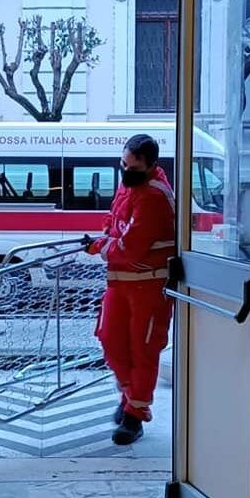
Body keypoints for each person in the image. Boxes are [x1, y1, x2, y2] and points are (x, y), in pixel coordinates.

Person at [86, 134, 177, 446]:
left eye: (133, 167)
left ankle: (135, 415)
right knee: (110, 340)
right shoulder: (130, 185)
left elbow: (132, 247)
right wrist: (104, 239)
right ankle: (130, 399)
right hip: (120, 282)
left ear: (151, 165)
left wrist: (99, 246)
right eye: (123, 164)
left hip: (148, 286)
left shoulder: (154, 196)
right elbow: (115, 222)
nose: (125, 170)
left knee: (143, 350)